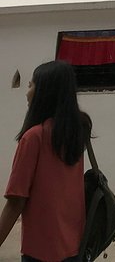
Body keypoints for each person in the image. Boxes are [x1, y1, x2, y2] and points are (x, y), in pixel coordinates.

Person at [0, 60, 92, 262]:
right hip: (75, 247)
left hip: (41, 251)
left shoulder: (34, 137)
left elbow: (15, 202)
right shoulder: (76, 132)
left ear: (45, 92)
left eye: (31, 85)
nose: (27, 92)